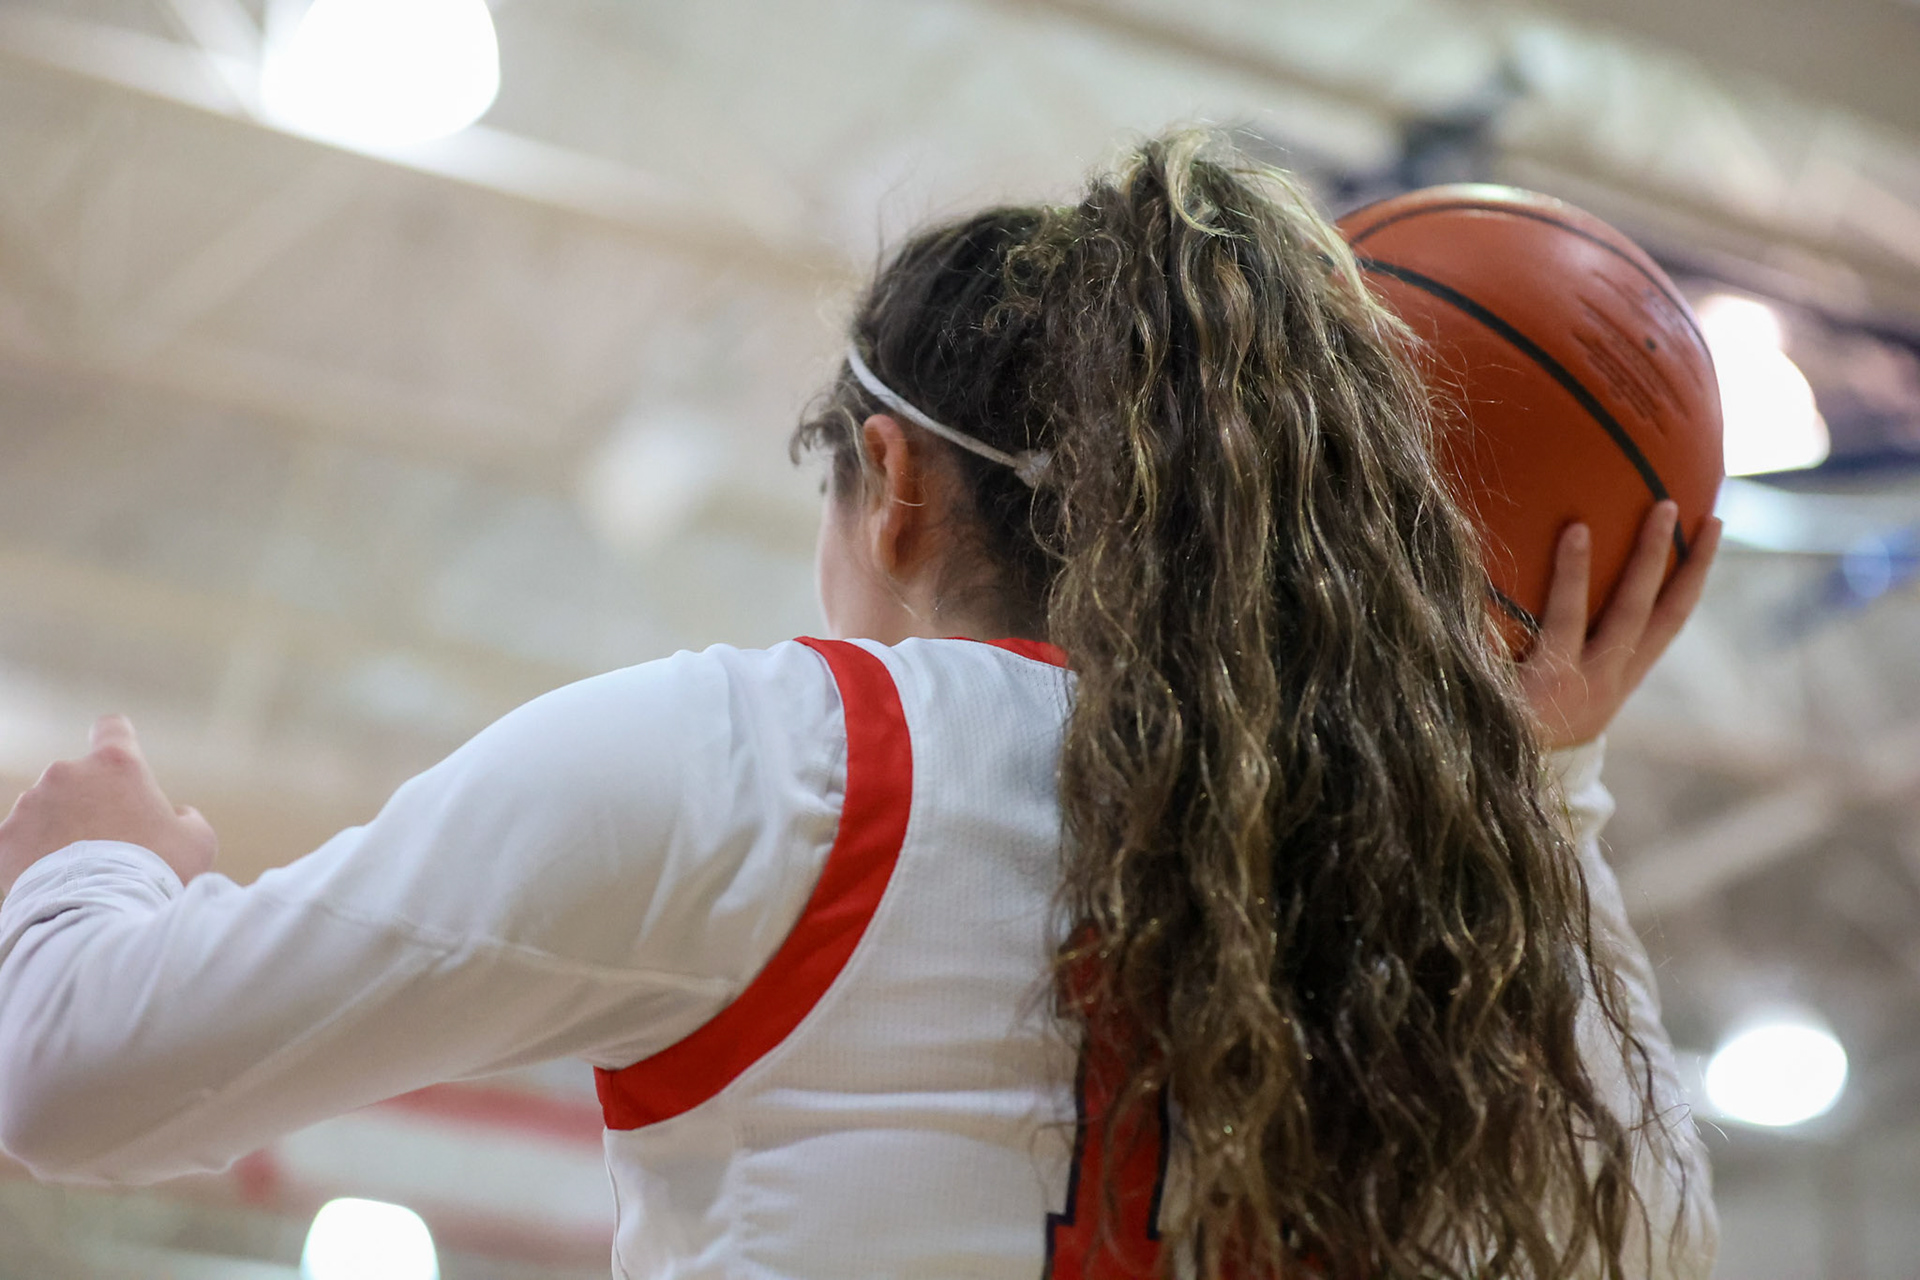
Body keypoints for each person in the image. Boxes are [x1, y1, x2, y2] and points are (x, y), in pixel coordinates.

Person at [0, 132, 1719, 1279]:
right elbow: (1650, 1245)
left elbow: (72, 1082)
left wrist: (91, 873)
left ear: (890, 485)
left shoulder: (783, 768)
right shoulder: (1410, 913)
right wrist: (1537, 791)